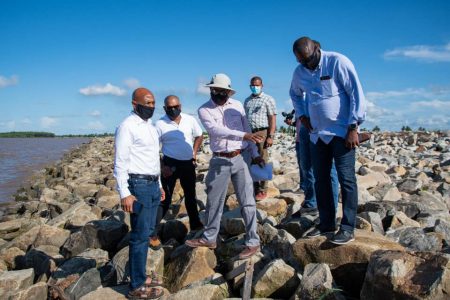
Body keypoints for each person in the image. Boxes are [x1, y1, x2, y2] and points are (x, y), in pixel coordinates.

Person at [290, 37, 366, 245]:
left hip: (342, 133)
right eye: (302, 61)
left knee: (346, 179)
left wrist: (353, 127)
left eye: (309, 59)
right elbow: (294, 94)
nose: (307, 64)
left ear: (317, 48)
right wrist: (302, 115)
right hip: (317, 135)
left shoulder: (338, 62)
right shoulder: (300, 72)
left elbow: (356, 94)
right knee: (320, 180)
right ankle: (326, 224)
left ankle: (348, 227)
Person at [185, 73, 264, 259]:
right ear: (211, 90)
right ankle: (210, 237)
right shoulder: (204, 110)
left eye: (223, 91)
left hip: (241, 157)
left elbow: (249, 131)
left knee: (248, 201)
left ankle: (253, 242)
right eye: (216, 91)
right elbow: (215, 130)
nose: (219, 94)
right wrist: (244, 136)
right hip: (220, 159)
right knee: (214, 200)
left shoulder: (237, 106)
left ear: (229, 92)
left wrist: (255, 154)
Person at [114, 87, 165, 299]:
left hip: (153, 185)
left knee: (148, 231)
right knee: (140, 236)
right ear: (135, 104)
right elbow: (120, 162)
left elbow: (153, 159)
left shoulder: (151, 127)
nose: (151, 107)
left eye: (153, 103)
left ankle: (140, 275)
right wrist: (125, 193)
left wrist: (160, 184)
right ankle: (135, 286)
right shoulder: (127, 126)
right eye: (147, 103)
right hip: (138, 186)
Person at [150, 95, 204, 248]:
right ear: (164, 108)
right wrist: (162, 166)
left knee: (190, 196)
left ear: (180, 105)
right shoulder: (159, 124)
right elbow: (154, 149)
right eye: (169, 108)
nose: (173, 110)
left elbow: (199, 135)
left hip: (188, 163)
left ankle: (195, 224)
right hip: (170, 164)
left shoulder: (189, 119)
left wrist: (194, 152)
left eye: (175, 107)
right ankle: (152, 232)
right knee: (164, 199)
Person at [244, 76, 277, 201]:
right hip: (249, 132)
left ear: (262, 85)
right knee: (251, 159)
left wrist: (270, 136)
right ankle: (254, 187)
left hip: (262, 131)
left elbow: (272, 118)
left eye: (257, 85)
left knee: (262, 158)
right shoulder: (247, 100)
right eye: (253, 85)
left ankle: (263, 189)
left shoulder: (268, 99)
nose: (255, 87)